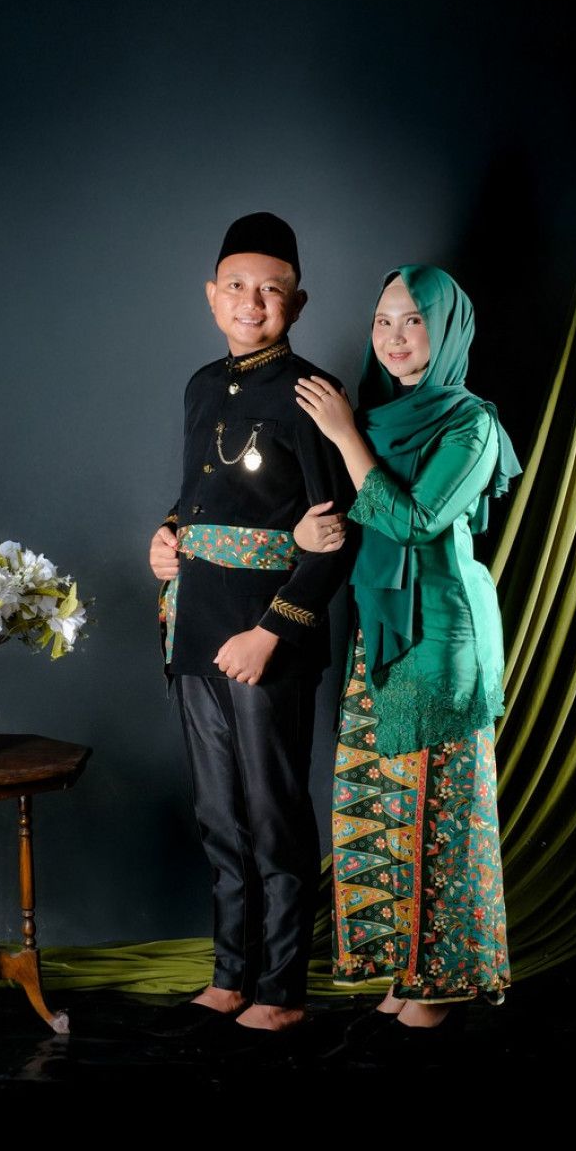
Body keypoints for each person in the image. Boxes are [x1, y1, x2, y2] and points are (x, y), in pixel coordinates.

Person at [293, 264, 520, 1045]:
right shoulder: (380, 417)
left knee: (438, 811)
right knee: (384, 802)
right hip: (383, 629)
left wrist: (345, 436)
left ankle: (441, 981)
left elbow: (415, 521)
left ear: (446, 330)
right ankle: (404, 970)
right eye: (383, 320)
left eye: (413, 320)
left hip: (440, 636)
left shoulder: (470, 425)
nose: (394, 336)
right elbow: (344, 514)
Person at [149, 212, 353, 1034]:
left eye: (271, 290)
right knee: (218, 814)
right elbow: (200, 495)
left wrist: (272, 632)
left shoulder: (312, 394)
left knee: (274, 815)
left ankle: (281, 989)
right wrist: (166, 535)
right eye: (236, 286)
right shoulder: (202, 384)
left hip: (267, 638)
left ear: (297, 304)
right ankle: (230, 977)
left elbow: (338, 535)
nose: (251, 302)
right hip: (195, 626)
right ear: (211, 296)